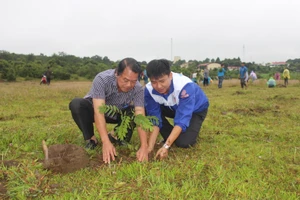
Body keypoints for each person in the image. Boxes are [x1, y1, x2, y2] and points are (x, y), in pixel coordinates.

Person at [69, 58, 148, 164]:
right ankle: (91, 139)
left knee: (137, 111)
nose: (129, 85)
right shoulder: (102, 79)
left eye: (133, 81)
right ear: (117, 73)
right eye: (125, 80)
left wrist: (144, 146)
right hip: (95, 110)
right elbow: (99, 111)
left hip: (117, 113)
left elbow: (140, 115)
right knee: (77, 104)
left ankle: (117, 136)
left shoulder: (138, 88)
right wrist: (105, 142)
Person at [144, 59, 209, 160]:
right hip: (171, 107)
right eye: (154, 82)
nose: (159, 86)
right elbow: (155, 119)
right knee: (146, 109)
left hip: (195, 110)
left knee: (184, 142)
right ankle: (172, 135)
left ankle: (182, 134)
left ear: (170, 75)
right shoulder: (149, 90)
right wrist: (149, 148)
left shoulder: (185, 86)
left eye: (162, 81)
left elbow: (182, 119)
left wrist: (166, 146)